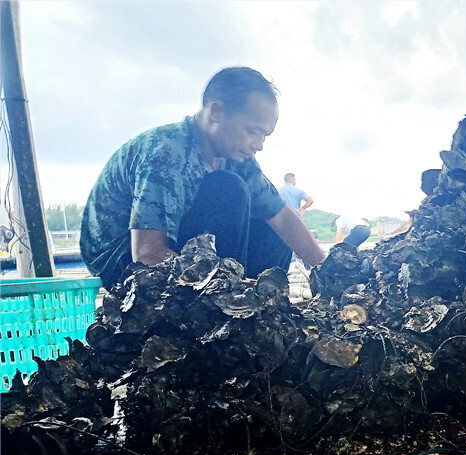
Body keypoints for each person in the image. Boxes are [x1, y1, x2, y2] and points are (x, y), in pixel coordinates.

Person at [80, 67, 326, 290]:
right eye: (253, 132)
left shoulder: (237, 158)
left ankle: (247, 309)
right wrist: (226, 286)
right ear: (217, 112)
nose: (259, 145)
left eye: (265, 136)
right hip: (122, 263)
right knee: (227, 190)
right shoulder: (166, 152)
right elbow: (146, 253)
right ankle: (226, 300)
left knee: (275, 228)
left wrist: (327, 271)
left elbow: (283, 218)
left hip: (182, 254)